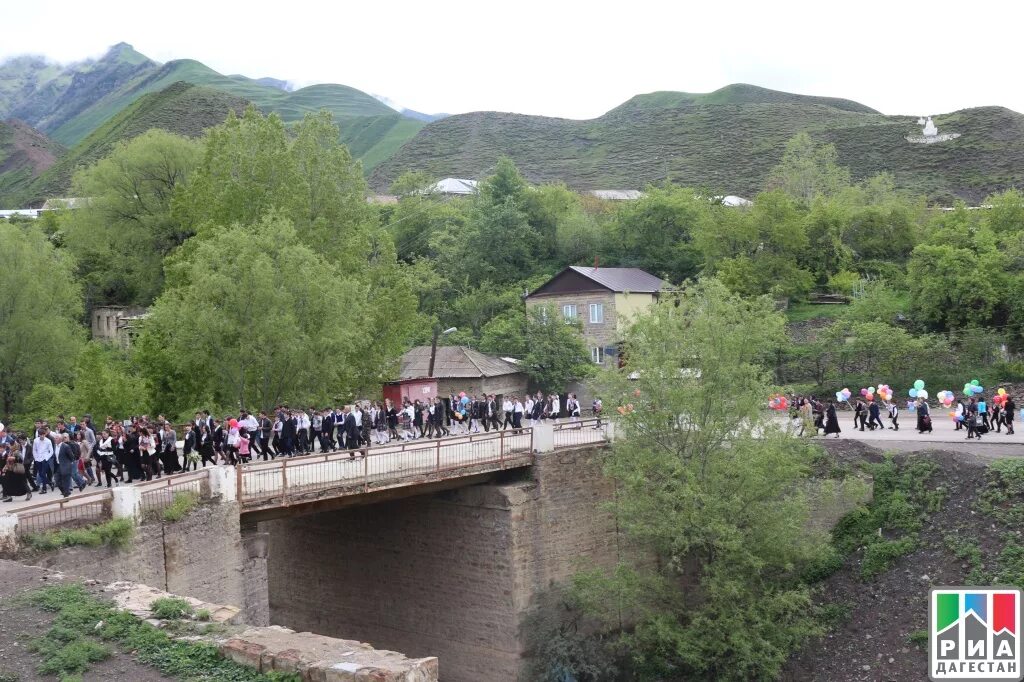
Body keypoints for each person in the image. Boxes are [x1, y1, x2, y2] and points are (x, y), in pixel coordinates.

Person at [32, 428, 55, 494]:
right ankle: (50, 483)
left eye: (43, 434)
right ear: (38, 435)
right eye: (40, 435)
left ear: (45, 434)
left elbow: (51, 451)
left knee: (43, 473)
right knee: (41, 474)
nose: (42, 436)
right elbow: (34, 450)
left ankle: (44, 489)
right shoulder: (35, 440)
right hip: (38, 459)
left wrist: (46, 458)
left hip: (45, 459)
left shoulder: (48, 441)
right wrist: (36, 458)